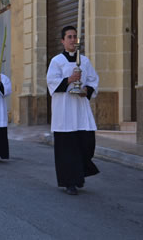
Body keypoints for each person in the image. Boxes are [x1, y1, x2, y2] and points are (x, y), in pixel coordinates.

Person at [46, 25, 100, 195]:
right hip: (64, 111)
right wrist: (69, 79)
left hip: (80, 109)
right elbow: (51, 82)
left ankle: (79, 174)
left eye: (75, 37)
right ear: (63, 41)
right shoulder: (56, 61)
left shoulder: (84, 61)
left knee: (87, 144)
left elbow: (93, 80)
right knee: (67, 150)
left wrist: (86, 91)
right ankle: (70, 182)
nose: (72, 40)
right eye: (69, 37)